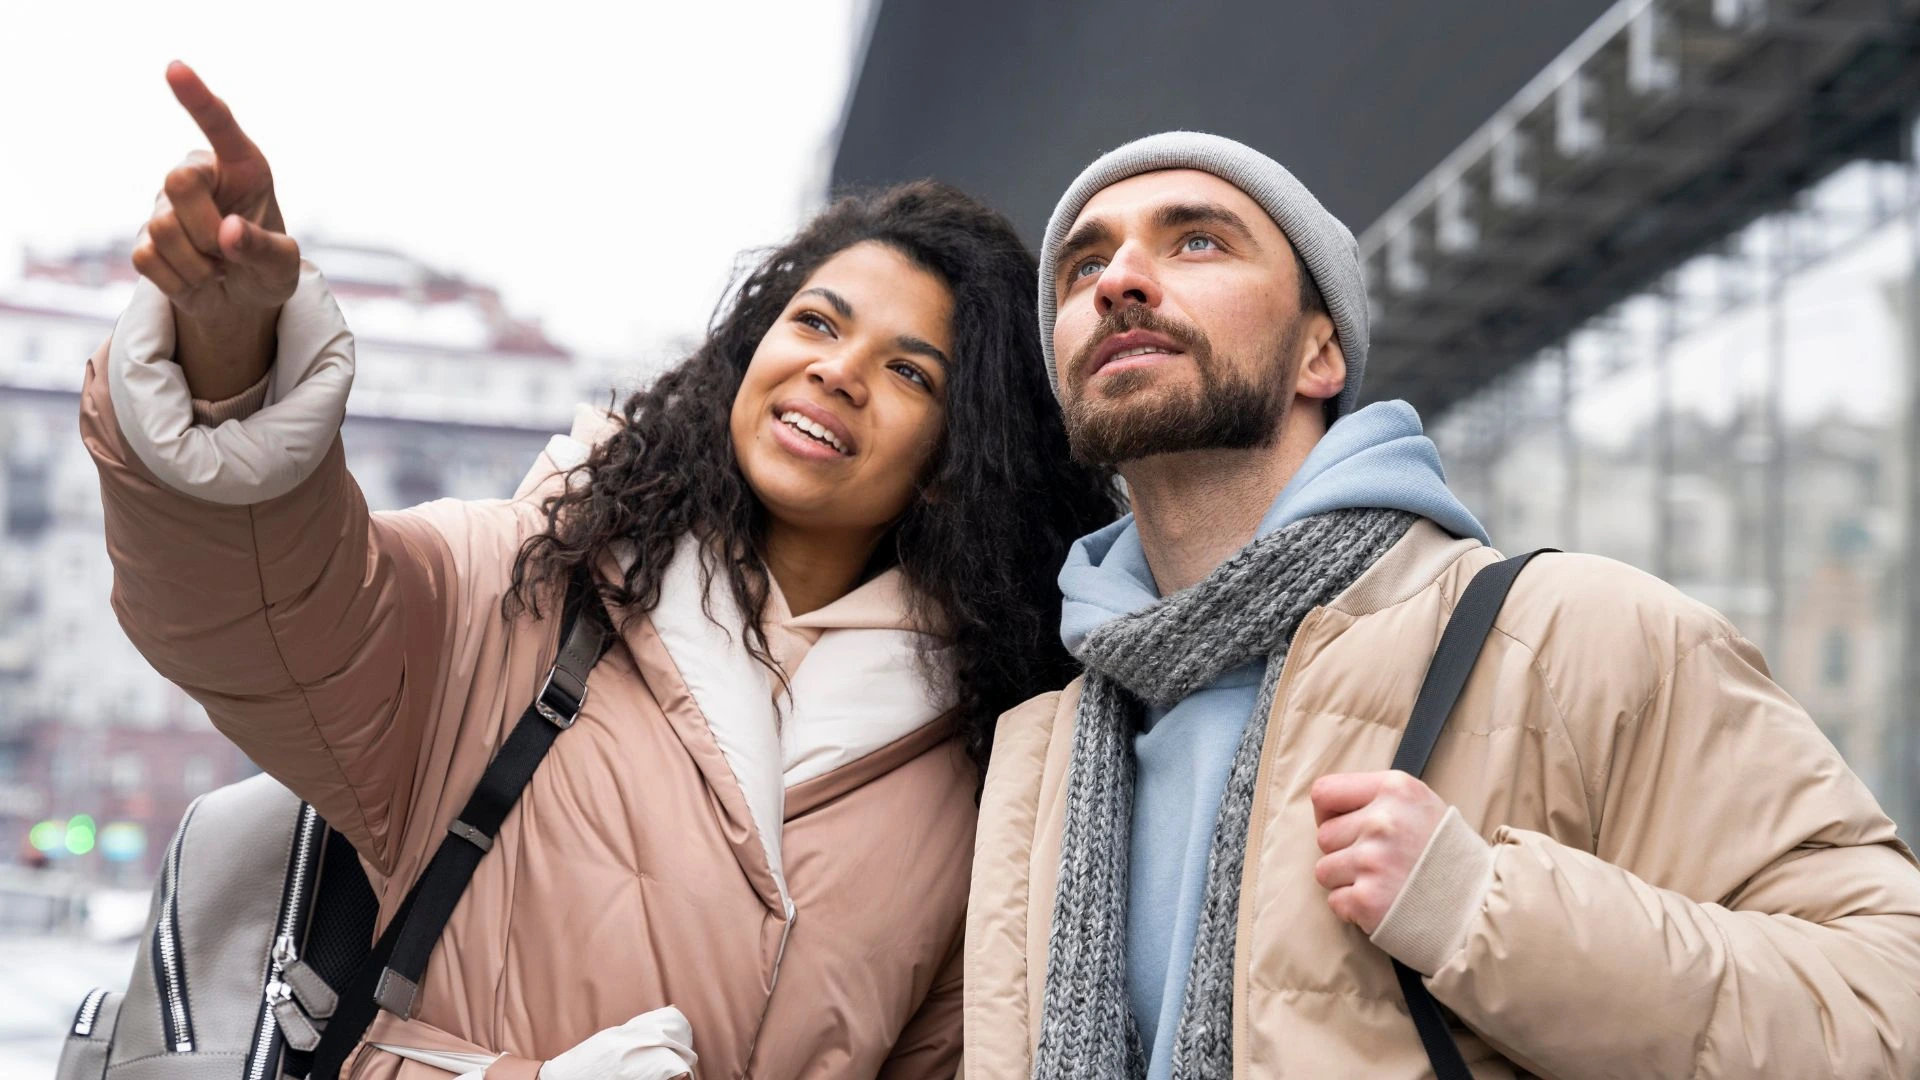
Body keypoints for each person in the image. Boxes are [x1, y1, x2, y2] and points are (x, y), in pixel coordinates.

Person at [83, 63, 1121, 1079]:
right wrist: (230, 363)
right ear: (745, 361)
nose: (837, 372)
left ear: (954, 465)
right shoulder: (526, 590)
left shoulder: (980, 766)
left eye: (908, 372)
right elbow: (262, 603)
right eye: (816, 321)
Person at [963, 131, 1920, 1079]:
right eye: (1086, 262)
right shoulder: (1039, 751)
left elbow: (1890, 1000)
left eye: (1197, 241)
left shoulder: (1571, 636)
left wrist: (1481, 910)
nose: (1119, 279)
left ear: (1320, 353)